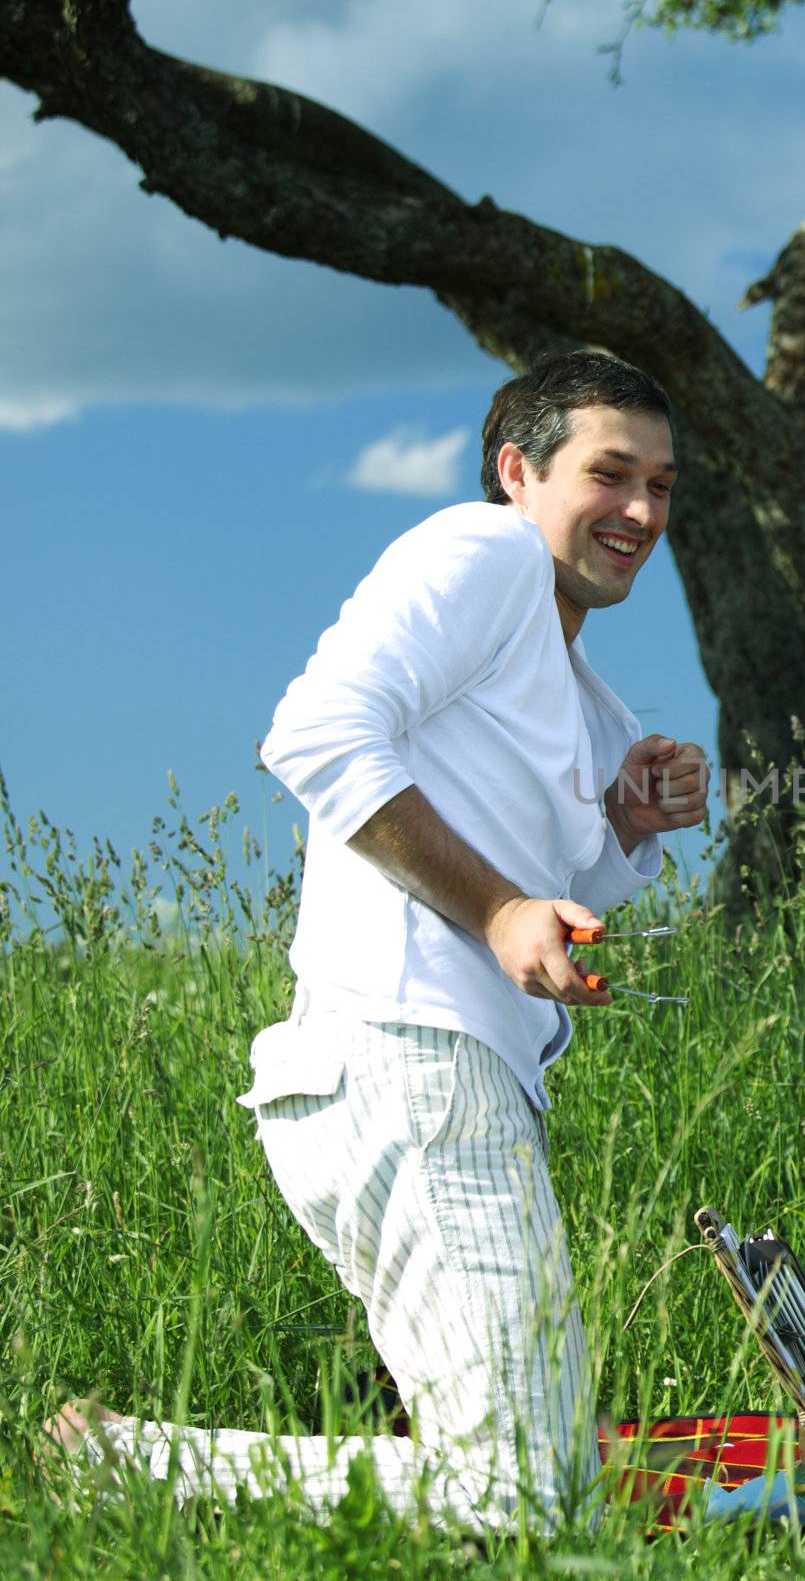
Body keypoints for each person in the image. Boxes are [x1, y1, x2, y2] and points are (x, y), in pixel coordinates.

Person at [47, 351, 709, 1530]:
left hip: (451, 1076)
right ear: (518, 470)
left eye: (662, 486)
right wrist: (503, 909)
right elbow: (311, 733)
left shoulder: (584, 690)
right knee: (528, 1495)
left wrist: (620, 822)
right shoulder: (487, 550)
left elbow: (542, 884)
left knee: (524, 1482)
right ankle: (137, 1468)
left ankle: (138, 1462)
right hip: (411, 1058)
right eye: (610, 474)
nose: (643, 513)